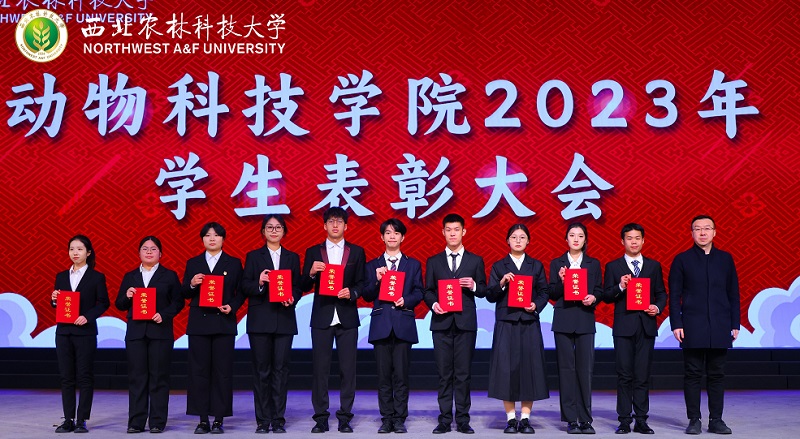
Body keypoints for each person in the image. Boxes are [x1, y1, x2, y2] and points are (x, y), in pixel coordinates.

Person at [669, 215, 740, 435]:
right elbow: (674, 295)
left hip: (720, 323)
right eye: (697, 229)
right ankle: (694, 419)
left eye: (707, 228)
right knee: (692, 374)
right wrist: (676, 323)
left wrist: (735, 322)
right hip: (692, 324)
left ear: (714, 232)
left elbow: (733, 293)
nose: (702, 233)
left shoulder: (725, 259)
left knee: (717, 374)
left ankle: (716, 419)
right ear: (691, 233)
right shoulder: (682, 260)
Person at [299, 207, 367, 433]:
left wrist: (352, 292)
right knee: (320, 370)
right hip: (322, 316)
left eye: (339, 221)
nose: (335, 225)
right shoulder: (313, 251)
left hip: (347, 317)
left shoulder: (356, 252)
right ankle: (320, 417)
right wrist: (311, 272)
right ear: (324, 225)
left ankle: (345, 417)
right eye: (331, 221)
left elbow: (362, 283)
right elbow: (303, 285)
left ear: (346, 226)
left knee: (348, 370)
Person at [423, 213, 488, 435]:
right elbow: (428, 291)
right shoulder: (433, 261)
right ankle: (444, 419)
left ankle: (462, 419)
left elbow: (484, 290)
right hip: (441, 323)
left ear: (464, 232)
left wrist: (473, 286)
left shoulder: (475, 260)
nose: (452, 233)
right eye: (448, 230)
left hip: (465, 324)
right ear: (443, 232)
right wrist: (434, 304)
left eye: (456, 229)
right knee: (444, 374)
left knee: (463, 373)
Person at [601, 224, 666, 434]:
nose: (634, 242)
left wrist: (657, 307)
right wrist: (620, 286)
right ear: (622, 241)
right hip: (623, 328)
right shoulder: (614, 266)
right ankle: (623, 420)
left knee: (642, 375)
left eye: (637, 238)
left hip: (646, 326)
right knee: (624, 375)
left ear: (643, 240)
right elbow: (606, 296)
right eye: (629, 238)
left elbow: (661, 293)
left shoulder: (653, 266)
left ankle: (641, 420)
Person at [240, 215, 302, 434]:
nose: (274, 231)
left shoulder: (292, 257)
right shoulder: (253, 256)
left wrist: (292, 298)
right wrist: (259, 282)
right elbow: (244, 286)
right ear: (263, 232)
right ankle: (263, 420)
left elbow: (297, 286)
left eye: (278, 227)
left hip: (284, 320)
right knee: (261, 371)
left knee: (281, 371)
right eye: (270, 227)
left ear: (284, 231)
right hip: (260, 321)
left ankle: (278, 419)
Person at [115, 236, 184, 433]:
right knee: (137, 377)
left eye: (153, 249)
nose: (149, 252)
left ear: (160, 253)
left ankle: (157, 422)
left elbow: (178, 302)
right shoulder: (130, 276)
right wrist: (127, 296)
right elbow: (119, 304)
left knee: (159, 377)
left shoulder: (169, 275)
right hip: (136, 333)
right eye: (145, 248)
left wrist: (164, 314)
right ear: (139, 253)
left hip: (160, 332)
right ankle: (136, 422)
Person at [362, 218, 424, 434]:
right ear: (382, 237)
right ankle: (386, 418)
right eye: (388, 233)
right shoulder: (372, 265)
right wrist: (377, 281)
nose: (392, 236)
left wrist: (406, 300)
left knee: (401, 376)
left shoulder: (412, 264)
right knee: (383, 377)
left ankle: (399, 418)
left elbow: (419, 292)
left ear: (402, 237)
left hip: (403, 324)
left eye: (396, 233)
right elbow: (367, 294)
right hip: (381, 325)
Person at [487, 224, 550, 434]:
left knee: (529, 369)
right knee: (506, 369)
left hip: (529, 322)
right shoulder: (499, 266)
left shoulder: (536, 265)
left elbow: (544, 292)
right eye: (514, 237)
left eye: (522, 237)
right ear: (508, 240)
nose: (518, 241)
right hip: (506, 322)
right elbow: (490, 295)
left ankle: (525, 418)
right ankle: (510, 419)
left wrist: (535, 305)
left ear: (528, 241)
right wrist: (502, 283)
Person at [182, 222, 244, 434]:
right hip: (199, 324)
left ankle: (218, 418)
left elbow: (241, 292)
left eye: (216, 235)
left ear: (223, 239)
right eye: (208, 235)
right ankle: (202, 419)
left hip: (223, 323)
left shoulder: (233, 263)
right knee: (198, 372)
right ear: (202, 239)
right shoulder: (193, 263)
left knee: (222, 372)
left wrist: (232, 307)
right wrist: (192, 283)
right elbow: (184, 293)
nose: (212, 239)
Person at [50, 235, 110, 433]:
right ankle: (68, 419)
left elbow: (104, 302)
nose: (75, 253)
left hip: (85, 332)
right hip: (64, 332)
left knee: (84, 376)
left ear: (88, 252)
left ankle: (82, 419)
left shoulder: (96, 277)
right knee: (66, 377)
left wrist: (87, 316)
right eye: (72, 249)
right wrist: (54, 299)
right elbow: (59, 304)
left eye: (79, 249)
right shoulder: (61, 276)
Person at [548, 222, 602, 435]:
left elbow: (599, 290)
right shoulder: (557, 263)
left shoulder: (593, 263)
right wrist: (562, 281)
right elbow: (552, 293)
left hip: (585, 318)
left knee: (585, 370)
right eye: (572, 235)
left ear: (585, 239)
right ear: (566, 239)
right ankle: (571, 419)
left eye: (580, 235)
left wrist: (593, 297)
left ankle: (586, 419)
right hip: (563, 319)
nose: (576, 239)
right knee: (566, 370)